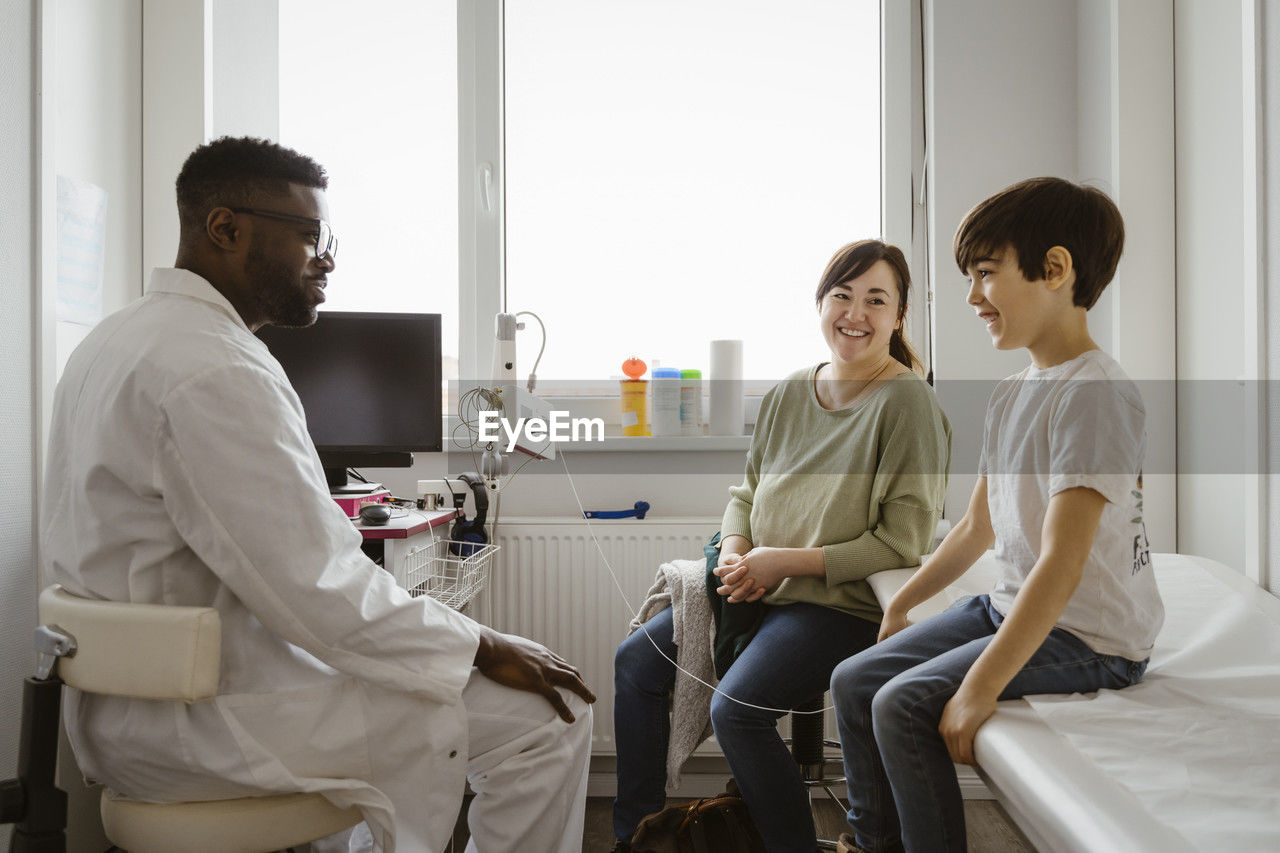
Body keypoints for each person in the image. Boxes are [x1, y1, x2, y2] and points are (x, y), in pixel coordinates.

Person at [40, 136, 595, 853]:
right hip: (206, 726)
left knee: (381, 680)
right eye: (310, 236)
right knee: (552, 714)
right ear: (226, 229)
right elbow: (319, 590)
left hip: (123, 713)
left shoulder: (113, 341)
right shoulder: (216, 367)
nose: (327, 257)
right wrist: (480, 641)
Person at [829, 178, 1164, 853]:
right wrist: (905, 606)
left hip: (1090, 635)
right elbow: (978, 526)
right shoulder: (1013, 393)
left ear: (1056, 268)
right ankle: (874, 841)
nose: (972, 296)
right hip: (1012, 605)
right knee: (854, 677)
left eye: (986, 273)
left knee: (901, 703)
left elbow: (1063, 565)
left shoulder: (1095, 396)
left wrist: (982, 686)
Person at [611, 240, 952, 852]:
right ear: (820, 304)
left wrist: (778, 564)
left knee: (736, 710)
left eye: (877, 300)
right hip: (757, 584)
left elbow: (903, 540)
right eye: (842, 296)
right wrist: (740, 552)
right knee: (636, 661)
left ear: (899, 316)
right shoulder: (790, 392)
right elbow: (745, 493)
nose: (856, 313)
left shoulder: (908, 404)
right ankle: (632, 837)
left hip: (837, 606)